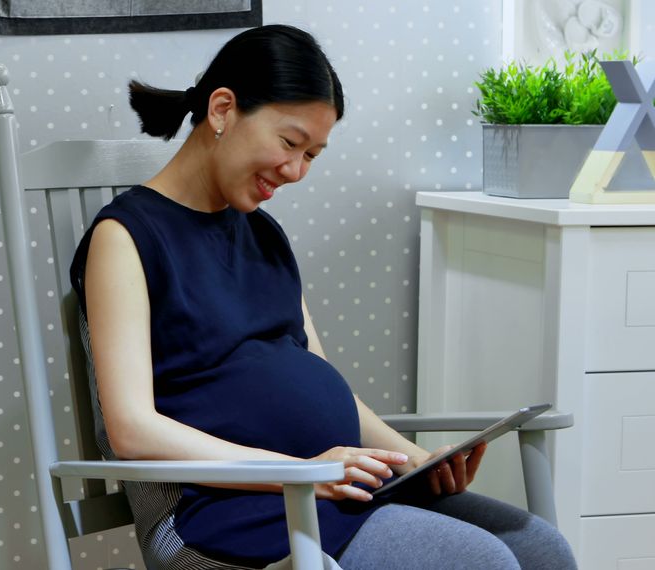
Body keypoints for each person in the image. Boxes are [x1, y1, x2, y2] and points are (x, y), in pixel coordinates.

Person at [68, 24, 577, 570]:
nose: (295, 172)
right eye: (289, 143)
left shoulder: (262, 233)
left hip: (334, 487)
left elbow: (319, 378)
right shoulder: (125, 237)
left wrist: (411, 458)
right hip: (240, 506)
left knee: (540, 548)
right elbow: (130, 429)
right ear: (222, 109)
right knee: (481, 562)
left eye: (312, 154)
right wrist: (298, 471)